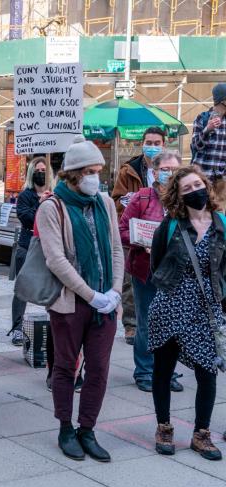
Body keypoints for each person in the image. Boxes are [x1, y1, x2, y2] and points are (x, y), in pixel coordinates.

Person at [35, 136, 123, 462]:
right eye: (89, 171)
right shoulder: (51, 207)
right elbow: (56, 260)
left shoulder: (106, 203)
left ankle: (88, 429)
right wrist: (91, 294)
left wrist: (113, 290)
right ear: (73, 174)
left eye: (98, 171)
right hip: (71, 303)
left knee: (99, 369)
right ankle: (65, 428)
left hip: (105, 304)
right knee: (65, 367)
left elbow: (115, 248)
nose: (95, 177)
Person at [148, 166, 224, 460]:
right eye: (188, 189)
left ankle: (201, 434)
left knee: (208, 371)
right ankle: (163, 427)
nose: (196, 191)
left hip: (207, 308)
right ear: (178, 196)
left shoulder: (222, 224)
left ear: (206, 184)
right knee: (163, 370)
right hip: (170, 305)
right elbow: (156, 264)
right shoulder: (170, 226)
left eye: (198, 184)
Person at [119, 151, 184, 393]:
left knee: (173, 323)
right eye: (165, 169)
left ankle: (167, 370)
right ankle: (145, 371)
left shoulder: (185, 199)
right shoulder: (142, 197)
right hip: (146, 271)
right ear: (154, 173)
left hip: (177, 273)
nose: (170, 174)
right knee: (146, 322)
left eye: (175, 169)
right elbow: (123, 229)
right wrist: (141, 242)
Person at [112, 127, 167, 346]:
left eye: (156, 143)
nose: (152, 147)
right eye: (148, 142)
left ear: (164, 144)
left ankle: (157, 324)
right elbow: (116, 199)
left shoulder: (169, 168)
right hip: (135, 232)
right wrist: (131, 202)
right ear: (142, 143)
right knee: (131, 281)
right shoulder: (130, 170)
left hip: (161, 238)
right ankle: (132, 326)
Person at [9, 157, 52, 346]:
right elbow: (27, 218)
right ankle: (17, 328)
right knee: (22, 288)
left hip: (49, 247)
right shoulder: (26, 195)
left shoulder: (55, 193)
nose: (41, 173)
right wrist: (41, 204)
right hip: (28, 245)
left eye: (44, 170)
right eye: (38, 170)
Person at [191, 83, 226, 182]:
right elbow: (195, 146)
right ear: (223, 100)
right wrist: (207, 130)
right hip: (201, 179)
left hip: (221, 182)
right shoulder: (202, 118)